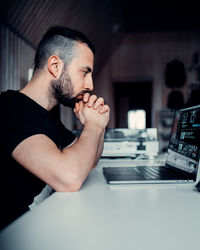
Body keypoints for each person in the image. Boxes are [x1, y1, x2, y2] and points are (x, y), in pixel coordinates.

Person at [0, 26, 110, 229]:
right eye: (85, 72)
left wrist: (98, 124)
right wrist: (93, 126)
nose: (90, 85)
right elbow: (70, 177)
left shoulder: (48, 118)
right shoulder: (10, 108)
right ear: (55, 65)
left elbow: (89, 160)